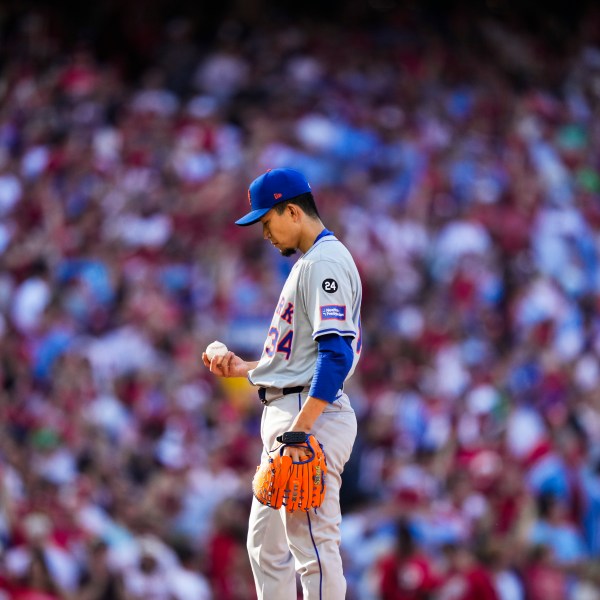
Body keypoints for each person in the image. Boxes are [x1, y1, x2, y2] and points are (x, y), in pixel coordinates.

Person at [202, 167, 362, 599]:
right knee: (264, 545)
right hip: (292, 411)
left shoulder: (325, 262)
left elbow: (335, 355)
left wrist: (300, 431)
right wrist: (241, 368)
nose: (264, 233)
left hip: (307, 419)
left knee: (311, 547)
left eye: (266, 221)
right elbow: (297, 360)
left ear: (292, 211)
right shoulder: (310, 262)